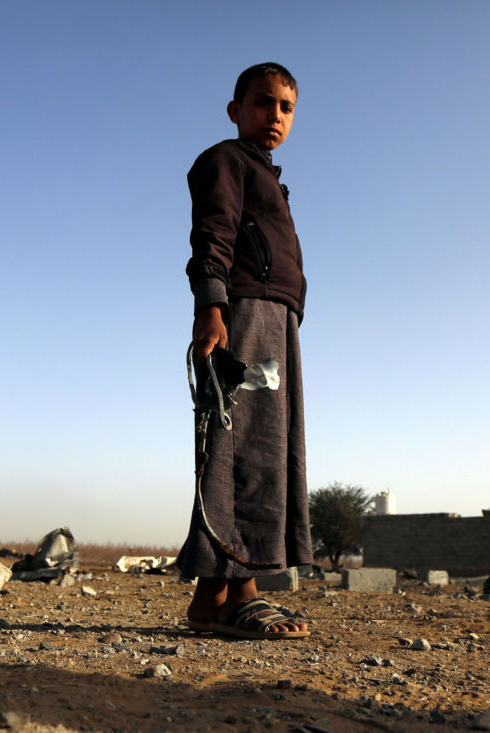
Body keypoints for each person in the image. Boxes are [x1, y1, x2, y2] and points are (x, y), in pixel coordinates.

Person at [177, 62, 312, 640]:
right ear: (235, 110)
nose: (274, 116)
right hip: (245, 313)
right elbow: (213, 232)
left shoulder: (270, 177)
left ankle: (215, 599)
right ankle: (244, 591)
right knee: (241, 447)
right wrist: (211, 305)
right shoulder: (225, 162)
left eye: (285, 108)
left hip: (276, 320)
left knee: (267, 451)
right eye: (262, 103)